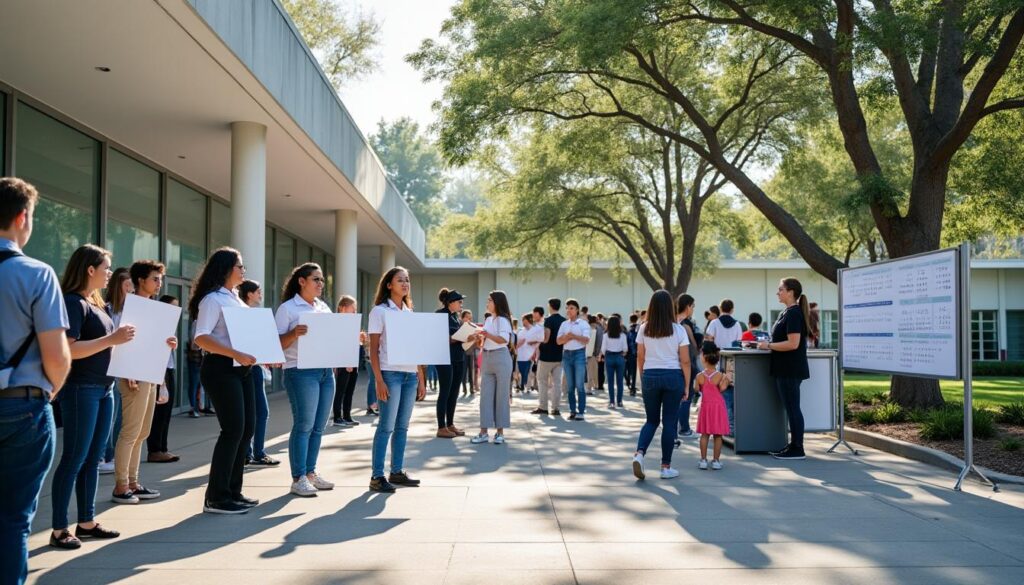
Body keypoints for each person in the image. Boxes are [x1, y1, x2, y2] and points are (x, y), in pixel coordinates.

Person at [0, 178, 72, 580]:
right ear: (22, 217)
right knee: (12, 518)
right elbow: (56, 355)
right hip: (21, 405)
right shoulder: (36, 273)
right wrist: (50, 391)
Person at [50, 244, 134, 547]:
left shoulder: (95, 303)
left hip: (104, 389)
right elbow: (68, 349)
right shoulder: (74, 302)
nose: (109, 272)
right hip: (81, 389)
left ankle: (85, 521)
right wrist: (112, 338)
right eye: (106, 268)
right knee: (74, 457)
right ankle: (60, 528)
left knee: (92, 459)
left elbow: (106, 345)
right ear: (89, 270)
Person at [190, 247, 258, 514]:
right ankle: (216, 497)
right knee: (232, 430)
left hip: (242, 368)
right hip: (221, 367)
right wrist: (235, 353)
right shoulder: (212, 300)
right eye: (240, 266)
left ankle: (233, 491)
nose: (243, 271)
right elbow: (201, 337)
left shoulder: (236, 299)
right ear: (227, 268)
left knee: (246, 429)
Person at [111, 260, 174, 503]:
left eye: (160, 279)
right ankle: (121, 485)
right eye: (155, 279)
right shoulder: (128, 306)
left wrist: (168, 344)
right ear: (141, 281)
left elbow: (151, 343)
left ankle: (134, 482)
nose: (159, 283)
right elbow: (118, 340)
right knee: (130, 431)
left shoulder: (154, 308)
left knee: (142, 432)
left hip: (150, 373)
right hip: (133, 375)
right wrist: (128, 370)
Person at [275, 263, 336, 497]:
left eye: (322, 280)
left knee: (319, 427)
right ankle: (298, 478)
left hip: (324, 372)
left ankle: (310, 473)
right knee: (304, 425)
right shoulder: (288, 309)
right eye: (316, 280)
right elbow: (277, 342)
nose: (320, 284)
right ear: (302, 281)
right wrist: (294, 333)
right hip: (300, 371)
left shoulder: (323, 307)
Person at [367, 267, 426, 493]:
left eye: (407, 280)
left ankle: (397, 471)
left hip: (410, 375)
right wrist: (378, 380)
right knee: (386, 426)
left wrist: (420, 378)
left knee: (402, 426)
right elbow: (373, 350)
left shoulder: (409, 312)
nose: (405, 284)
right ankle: (376, 475)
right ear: (389, 285)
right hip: (390, 374)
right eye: (400, 280)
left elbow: (417, 349)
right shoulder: (379, 312)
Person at [632, 290, 691, 481]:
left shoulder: (644, 328)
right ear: (670, 308)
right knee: (670, 422)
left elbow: (640, 356)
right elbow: (685, 361)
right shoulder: (679, 330)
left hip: (650, 375)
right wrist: (687, 385)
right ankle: (666, 467)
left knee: (651, 420)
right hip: (673, 376)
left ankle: (639, 454)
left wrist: (643, 377)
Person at [758, 277, 811, 460]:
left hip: (790, 369)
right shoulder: (787, 312)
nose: (777, 292)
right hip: (784, 368)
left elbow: (793, 343)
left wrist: (769, 346)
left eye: (780, 289)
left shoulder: (794, 313)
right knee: (790, 408)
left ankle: (798, 449)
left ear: (790, 292)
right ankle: (793, 445)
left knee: (793, 408)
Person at [238, 280, 279, 467]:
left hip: (253, 367)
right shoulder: (245, 315)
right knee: (260, 412)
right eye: (258, 291)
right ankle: (256, 453)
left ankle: (249, 453)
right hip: (249, 369)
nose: (260, 294)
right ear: (249, 294)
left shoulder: (247, 315)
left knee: (253, 412)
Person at [99, 267, 133, 474]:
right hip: (110, 367)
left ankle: (110, 455)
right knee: (110, 416)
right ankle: (102, 455)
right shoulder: (108, 309)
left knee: (120, 416)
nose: (130, 289)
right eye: (127, 284)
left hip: (126, 367)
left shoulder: (132, 309)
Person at [471, 291, 514, 444]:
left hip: (501, 357)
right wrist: (479, 338)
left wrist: (486, 334)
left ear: (497, 302)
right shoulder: (488, 320)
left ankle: (500, 433)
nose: (487, 303)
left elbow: (504, 339)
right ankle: (483, 432)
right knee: (485, 397)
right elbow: (485, 341)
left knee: (501, 396)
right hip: (487, 357)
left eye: (490, 300)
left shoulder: (503, 320)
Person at [146, 294, 181, 464]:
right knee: (159, 412)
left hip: (169, 367)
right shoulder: (157, 321)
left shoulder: (170, 324)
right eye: (173, 306)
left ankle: (163, 448)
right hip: (160, 370)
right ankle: (155, 449)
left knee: (166, 412)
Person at [435, 289, 471, 438]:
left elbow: (457, 338)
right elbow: (440, 337)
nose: (461, 304)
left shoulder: (456, 317)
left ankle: (450, 424)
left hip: (458, 357)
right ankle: (441, 427)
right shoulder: (440, 314)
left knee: (454, 392)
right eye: (459, 302)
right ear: (451, 302)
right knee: (445, 392)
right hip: (444, 358)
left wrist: (469, 337)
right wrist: (460, 337)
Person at [704, 298, 741, 435]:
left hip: (717, 362)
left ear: (720, 309)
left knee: (716, 396)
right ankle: (730, 427)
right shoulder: (737, 325)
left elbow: (708, 341)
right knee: (730, 394)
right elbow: (739, 343)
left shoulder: (714, 323)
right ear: (732, 309)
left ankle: (717, 425)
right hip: (732, 364)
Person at [332, 294, 365, 429]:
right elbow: (339, 343)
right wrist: (346, 361)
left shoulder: (352, 323)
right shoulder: (337, 322)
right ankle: (337, 417)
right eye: (353, 308)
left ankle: (347, 415)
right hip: (343, 361)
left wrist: (359, 338)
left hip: (353, 360)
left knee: (350, 390)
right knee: (341, 390)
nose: (355, 311)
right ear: (343, 308)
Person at [695, 348, 730, 470]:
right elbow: (722, 389)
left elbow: (696, 389)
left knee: (704, 434)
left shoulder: (699, 376)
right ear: (717, 360)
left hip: (705, 406)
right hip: (718, 406)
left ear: (704, 359)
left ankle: (703, 460)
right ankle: (716, 461)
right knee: (718, 435)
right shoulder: (720, 375)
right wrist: (726, 380)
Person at [557, 299, 590, 421]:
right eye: (567, 308)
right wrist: (568, 337)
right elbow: (558, 341)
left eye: (571, 308)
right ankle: (572, 411)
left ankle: (581, 411)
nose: (568, 310)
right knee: (570, 386)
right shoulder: (564, 324)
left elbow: (586, 340)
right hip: (566, 355)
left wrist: (573, 336)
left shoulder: (583, 324)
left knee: (579, 384)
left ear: (577, 310)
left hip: (579, 355)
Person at [674, 294, 701, 440]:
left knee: (678, 398)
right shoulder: (684, 324)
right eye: (693, 306)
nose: (693, 309)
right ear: (688, 306)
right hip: (686, 363)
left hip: (674, 364)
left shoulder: (673, 322)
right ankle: (684, 428)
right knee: (687, 395)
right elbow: (692, 344)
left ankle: (676, 427)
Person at [533, 298, 565, 416]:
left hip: (546, 356)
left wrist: (538, 342)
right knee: (557, 383)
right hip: (559, 355)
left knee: (542, 381)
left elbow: (546, 338)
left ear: (550, 306)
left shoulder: (548, 320)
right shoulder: (564, 320)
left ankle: (543, 407)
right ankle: (556, 408)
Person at [601, 315, 627, 408]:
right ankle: (619, 401)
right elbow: (625, 348)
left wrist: (606, 355)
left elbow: (603, 349)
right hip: (620, 357)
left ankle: (612, 402)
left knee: (610, 382)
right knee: (620, 381)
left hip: (609, 357)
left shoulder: (605, 335)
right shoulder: (623, 335)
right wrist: (622, 354)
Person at [515, 314, 540, 393]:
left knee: (529, 373)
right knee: (518, 372)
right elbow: (516, 344)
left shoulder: (534, 331)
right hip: (520, 356)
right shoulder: (520, 331)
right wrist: (519, 344)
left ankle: (527, 387)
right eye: (522, 320)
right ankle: (519, 385)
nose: (523, 322)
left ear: (529, 320)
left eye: (524, 320)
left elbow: (538, 343)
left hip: (529, 356)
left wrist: (535, 355)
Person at [461, 310, 479, 395]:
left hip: (471, 353)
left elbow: (476, 343)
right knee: (463, 372)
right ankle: (464, 388)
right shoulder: (460, 327)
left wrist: (477, 339)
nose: (468, 319)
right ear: (462, 318)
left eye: (470, 318)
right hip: (463, 353)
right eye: (466, 317)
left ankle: (472, 388)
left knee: (471, 371)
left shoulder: (473, 327)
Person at [625, 313, 639, 395]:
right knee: (634, 372)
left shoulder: (629, 330)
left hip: (630, 353)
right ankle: (632, 387)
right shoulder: (639, 328)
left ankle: (630, 385)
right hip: (637, 353)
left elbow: (627, 342)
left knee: (629, 371)